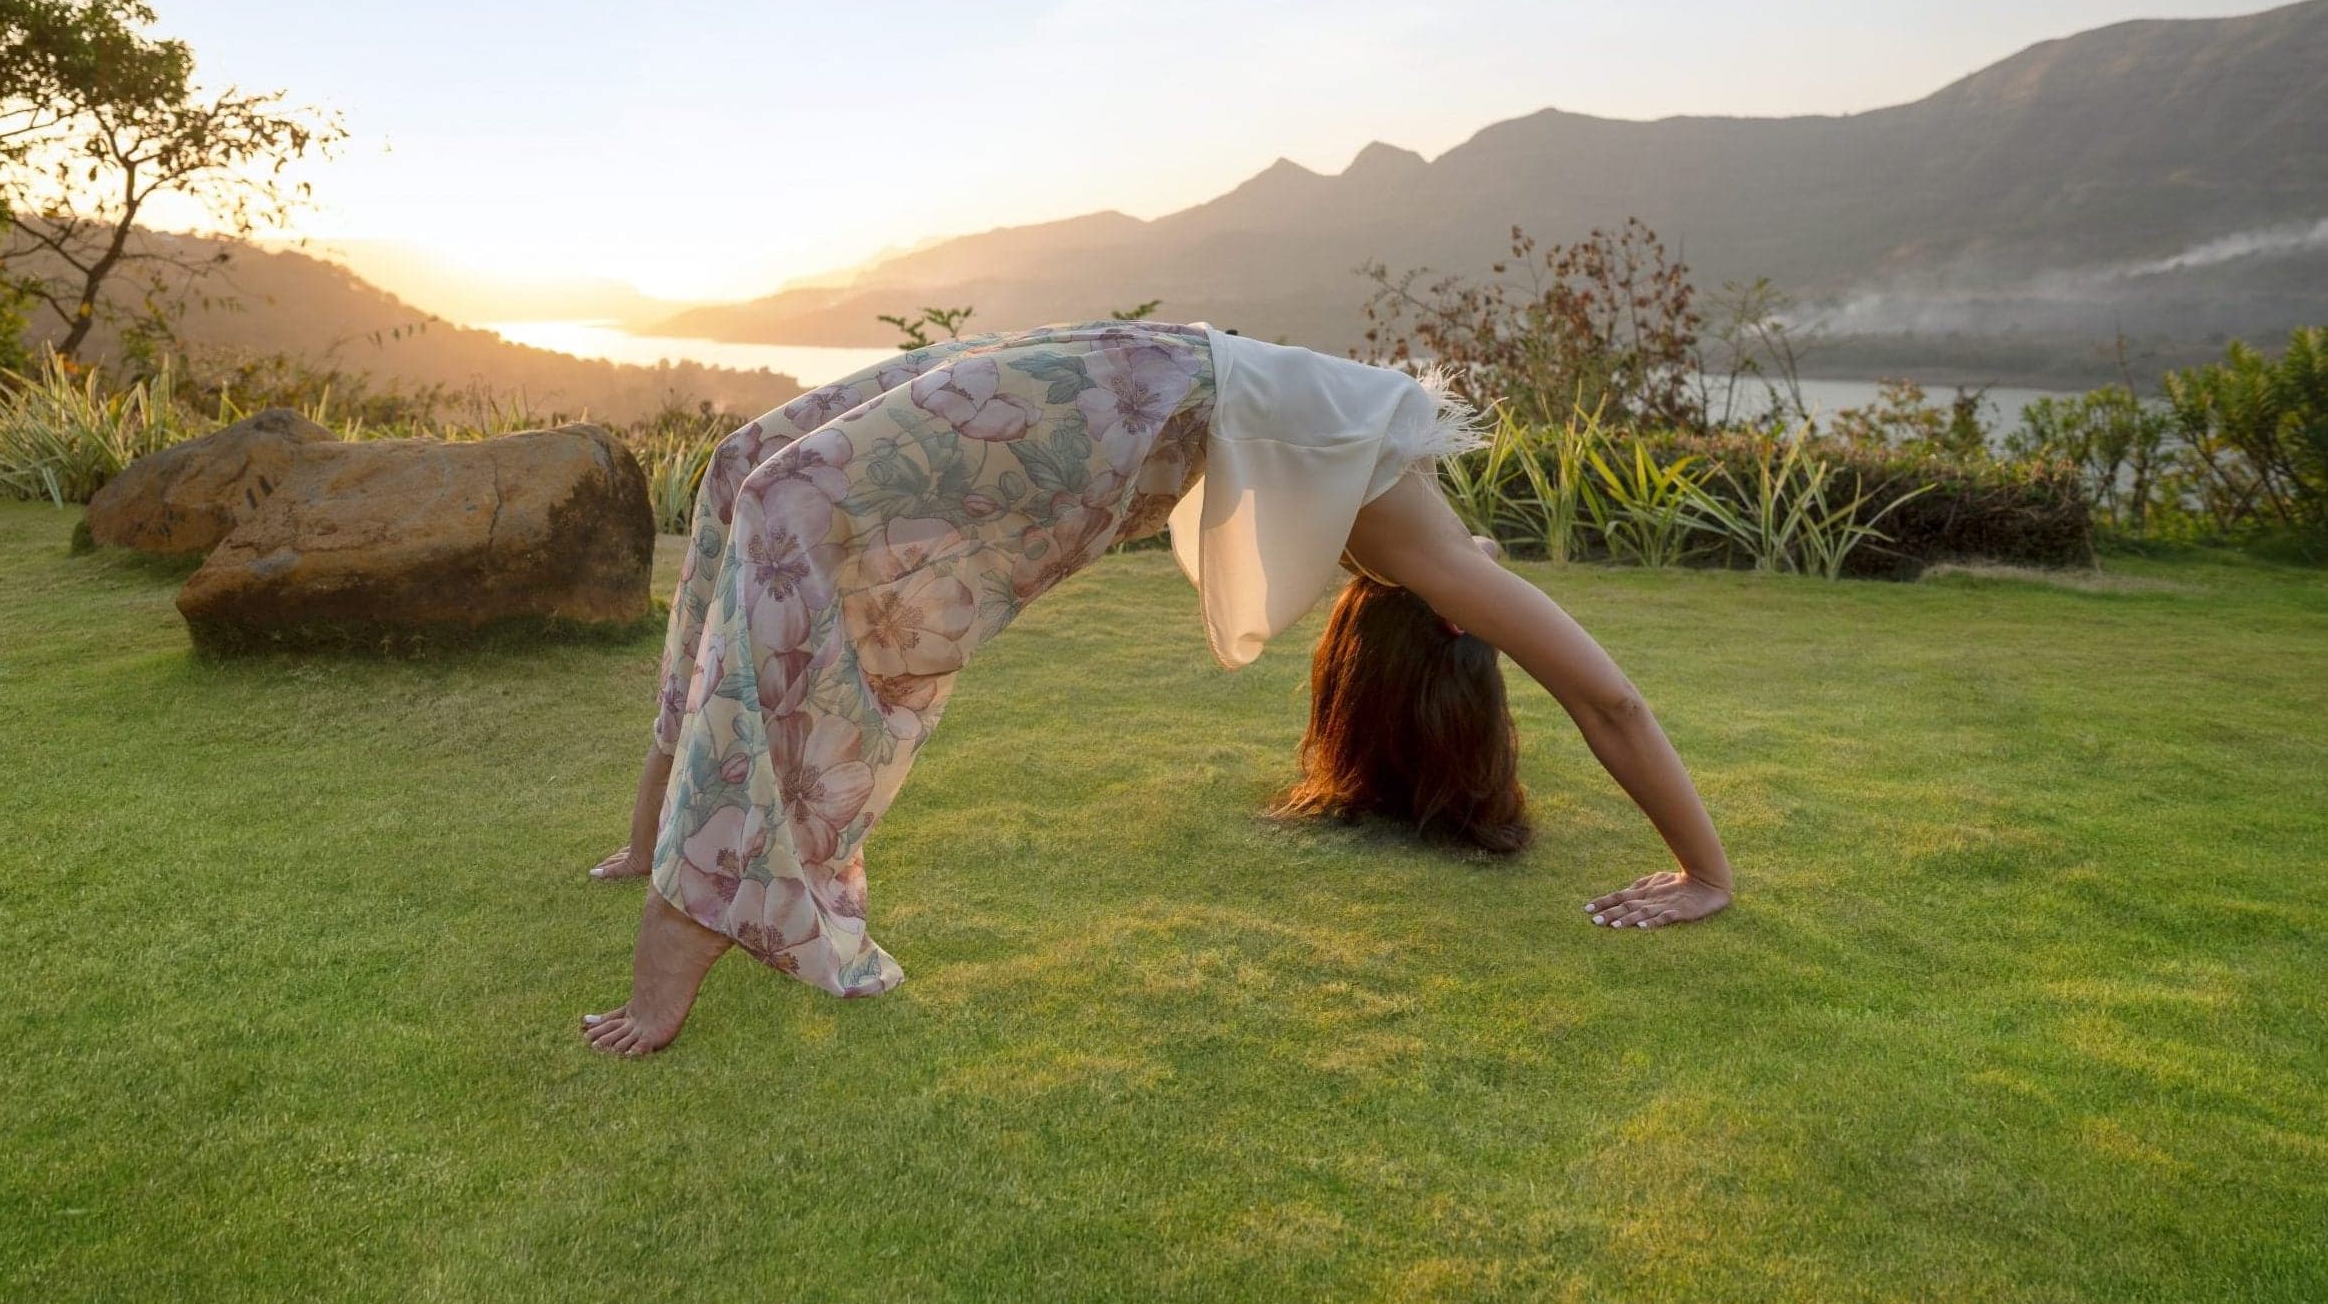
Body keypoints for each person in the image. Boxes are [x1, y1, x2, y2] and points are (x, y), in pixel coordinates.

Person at [581, 319, 1733, 1056]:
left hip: (1137, 376)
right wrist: (1706, 872)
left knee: (769, 491)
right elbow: (1612, 702)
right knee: (748, 473)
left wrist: (1700, 875)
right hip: (1142, 379)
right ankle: (665, 820)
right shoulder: (1415, 521)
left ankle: (692, 904)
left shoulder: (1418, 541)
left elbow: (1600, 692)